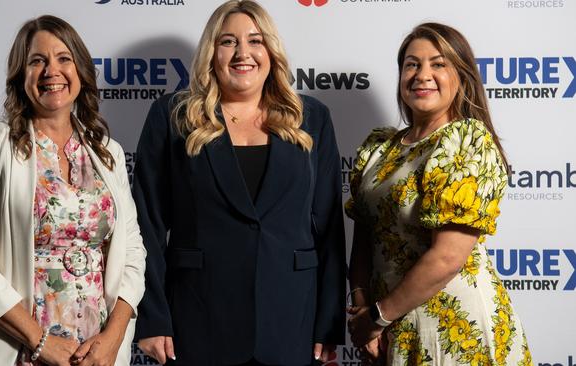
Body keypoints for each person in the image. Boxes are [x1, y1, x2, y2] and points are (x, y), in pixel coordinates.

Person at [132, 1, 346, 365]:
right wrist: (152, 316)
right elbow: (146, 225)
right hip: (198, 320)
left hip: (291, 322)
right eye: (228, 41)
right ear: (211, 53)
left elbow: (329, 231)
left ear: (271, 51)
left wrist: (328, 324)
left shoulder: (311, 118)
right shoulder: (173, 116)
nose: (242, 53)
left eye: (255, 40)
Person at [0, 15, 146, 366]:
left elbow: (132, 253)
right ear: (21, 76)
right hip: (14, 348)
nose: (52, 70)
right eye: (37, 61)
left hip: (94, 354)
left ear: (80, 70)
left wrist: (113, 339)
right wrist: (42, 343)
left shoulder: (107, 152)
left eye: (64, 58)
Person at [345, 22, 533, 365]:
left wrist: (376, 319)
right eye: (412, 64)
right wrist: (362, 310)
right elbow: (363, 240)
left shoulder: (466, 141)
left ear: (461, 76)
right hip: (385, 324)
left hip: (453, 326)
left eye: (438, 64)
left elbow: (447, 257)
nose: (422, 74)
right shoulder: (379, 149)